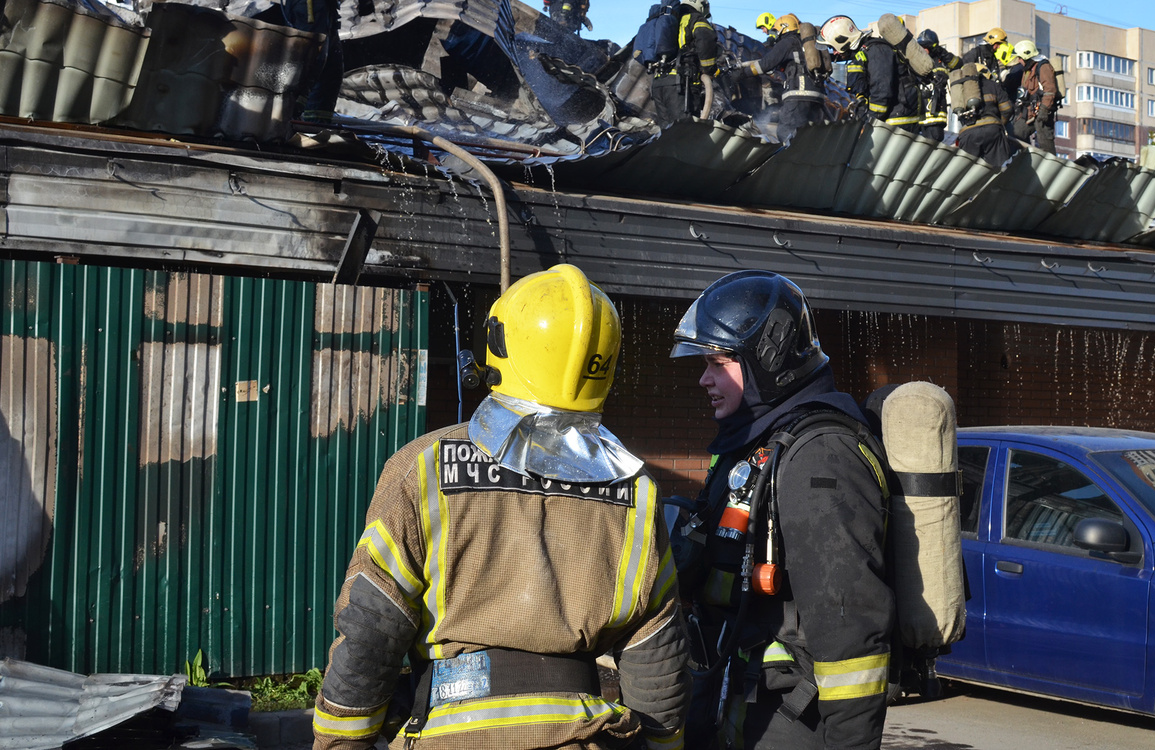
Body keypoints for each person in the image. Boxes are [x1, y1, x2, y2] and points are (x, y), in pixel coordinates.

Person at [312, 264, 691, 750]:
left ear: (500, 345)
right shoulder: (637, 490)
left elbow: (372, 629)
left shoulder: (423, 467)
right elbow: (656, 655)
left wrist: (340, 744)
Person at [670, 271, 893, 750]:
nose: (704, 378)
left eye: (719, 361)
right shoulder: (755, 441)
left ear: (768, 360)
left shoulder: (822, 458)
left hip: (792, 720)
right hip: (743, 700)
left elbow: (851, 633)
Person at [734, 14, 827, 142]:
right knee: (809, 137)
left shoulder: (788, 42)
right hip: (818, 97)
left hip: (799, 93)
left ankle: (790, 160)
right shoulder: (805, 44)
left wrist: (743, 73)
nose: (776, 34)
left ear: (784, 28)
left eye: (777, 30)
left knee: (785, 132)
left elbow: (766, 64)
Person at [819, 15, 920, 132]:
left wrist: (868, 124)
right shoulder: (863, 53)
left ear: (843, 40)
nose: (835, 52)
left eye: (833, 47)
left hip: (895, 124)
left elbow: (881, 94)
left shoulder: (877, 51)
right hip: (886, 121)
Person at [651, 0, 719, 124]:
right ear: (701, 5)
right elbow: (706, 41)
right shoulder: (695, 19)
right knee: (686, 133)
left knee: (667, 134)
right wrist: (709, 70)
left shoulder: (666, 20)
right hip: (681, 85)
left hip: (658, 84)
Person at [282, 0, 344, 122]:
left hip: (323, 8)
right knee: (313, 59)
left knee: (330, 72)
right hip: (311, 8)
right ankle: (290, 116)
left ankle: (316, 127)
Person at [956, 63, 1014, 167]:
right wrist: (1001, 123)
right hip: (993, 131)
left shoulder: (961, 89)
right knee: (999, 170)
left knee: (967, 171)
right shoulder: (992, 85)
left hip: (968, 133)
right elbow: (1007, 109)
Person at [1011, 39, 1059, 155]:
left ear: (1026, 56)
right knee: (1015, 135)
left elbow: (1050, 90)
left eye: (1020, 58)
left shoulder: (1043, 67)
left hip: (1042, 112)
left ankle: (1051, 168)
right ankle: (1020, 161)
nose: (1019, 60)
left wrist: (1043, 110)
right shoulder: (1028, 69)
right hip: (1029, 112)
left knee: (1046, 144)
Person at [916, 29, 959, 142]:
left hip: (934, 118)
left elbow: (958, 65)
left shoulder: (939, 63)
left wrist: (941, 51)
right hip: (919, 119)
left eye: (926, 48)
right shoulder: (915, 64)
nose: (922, 51)